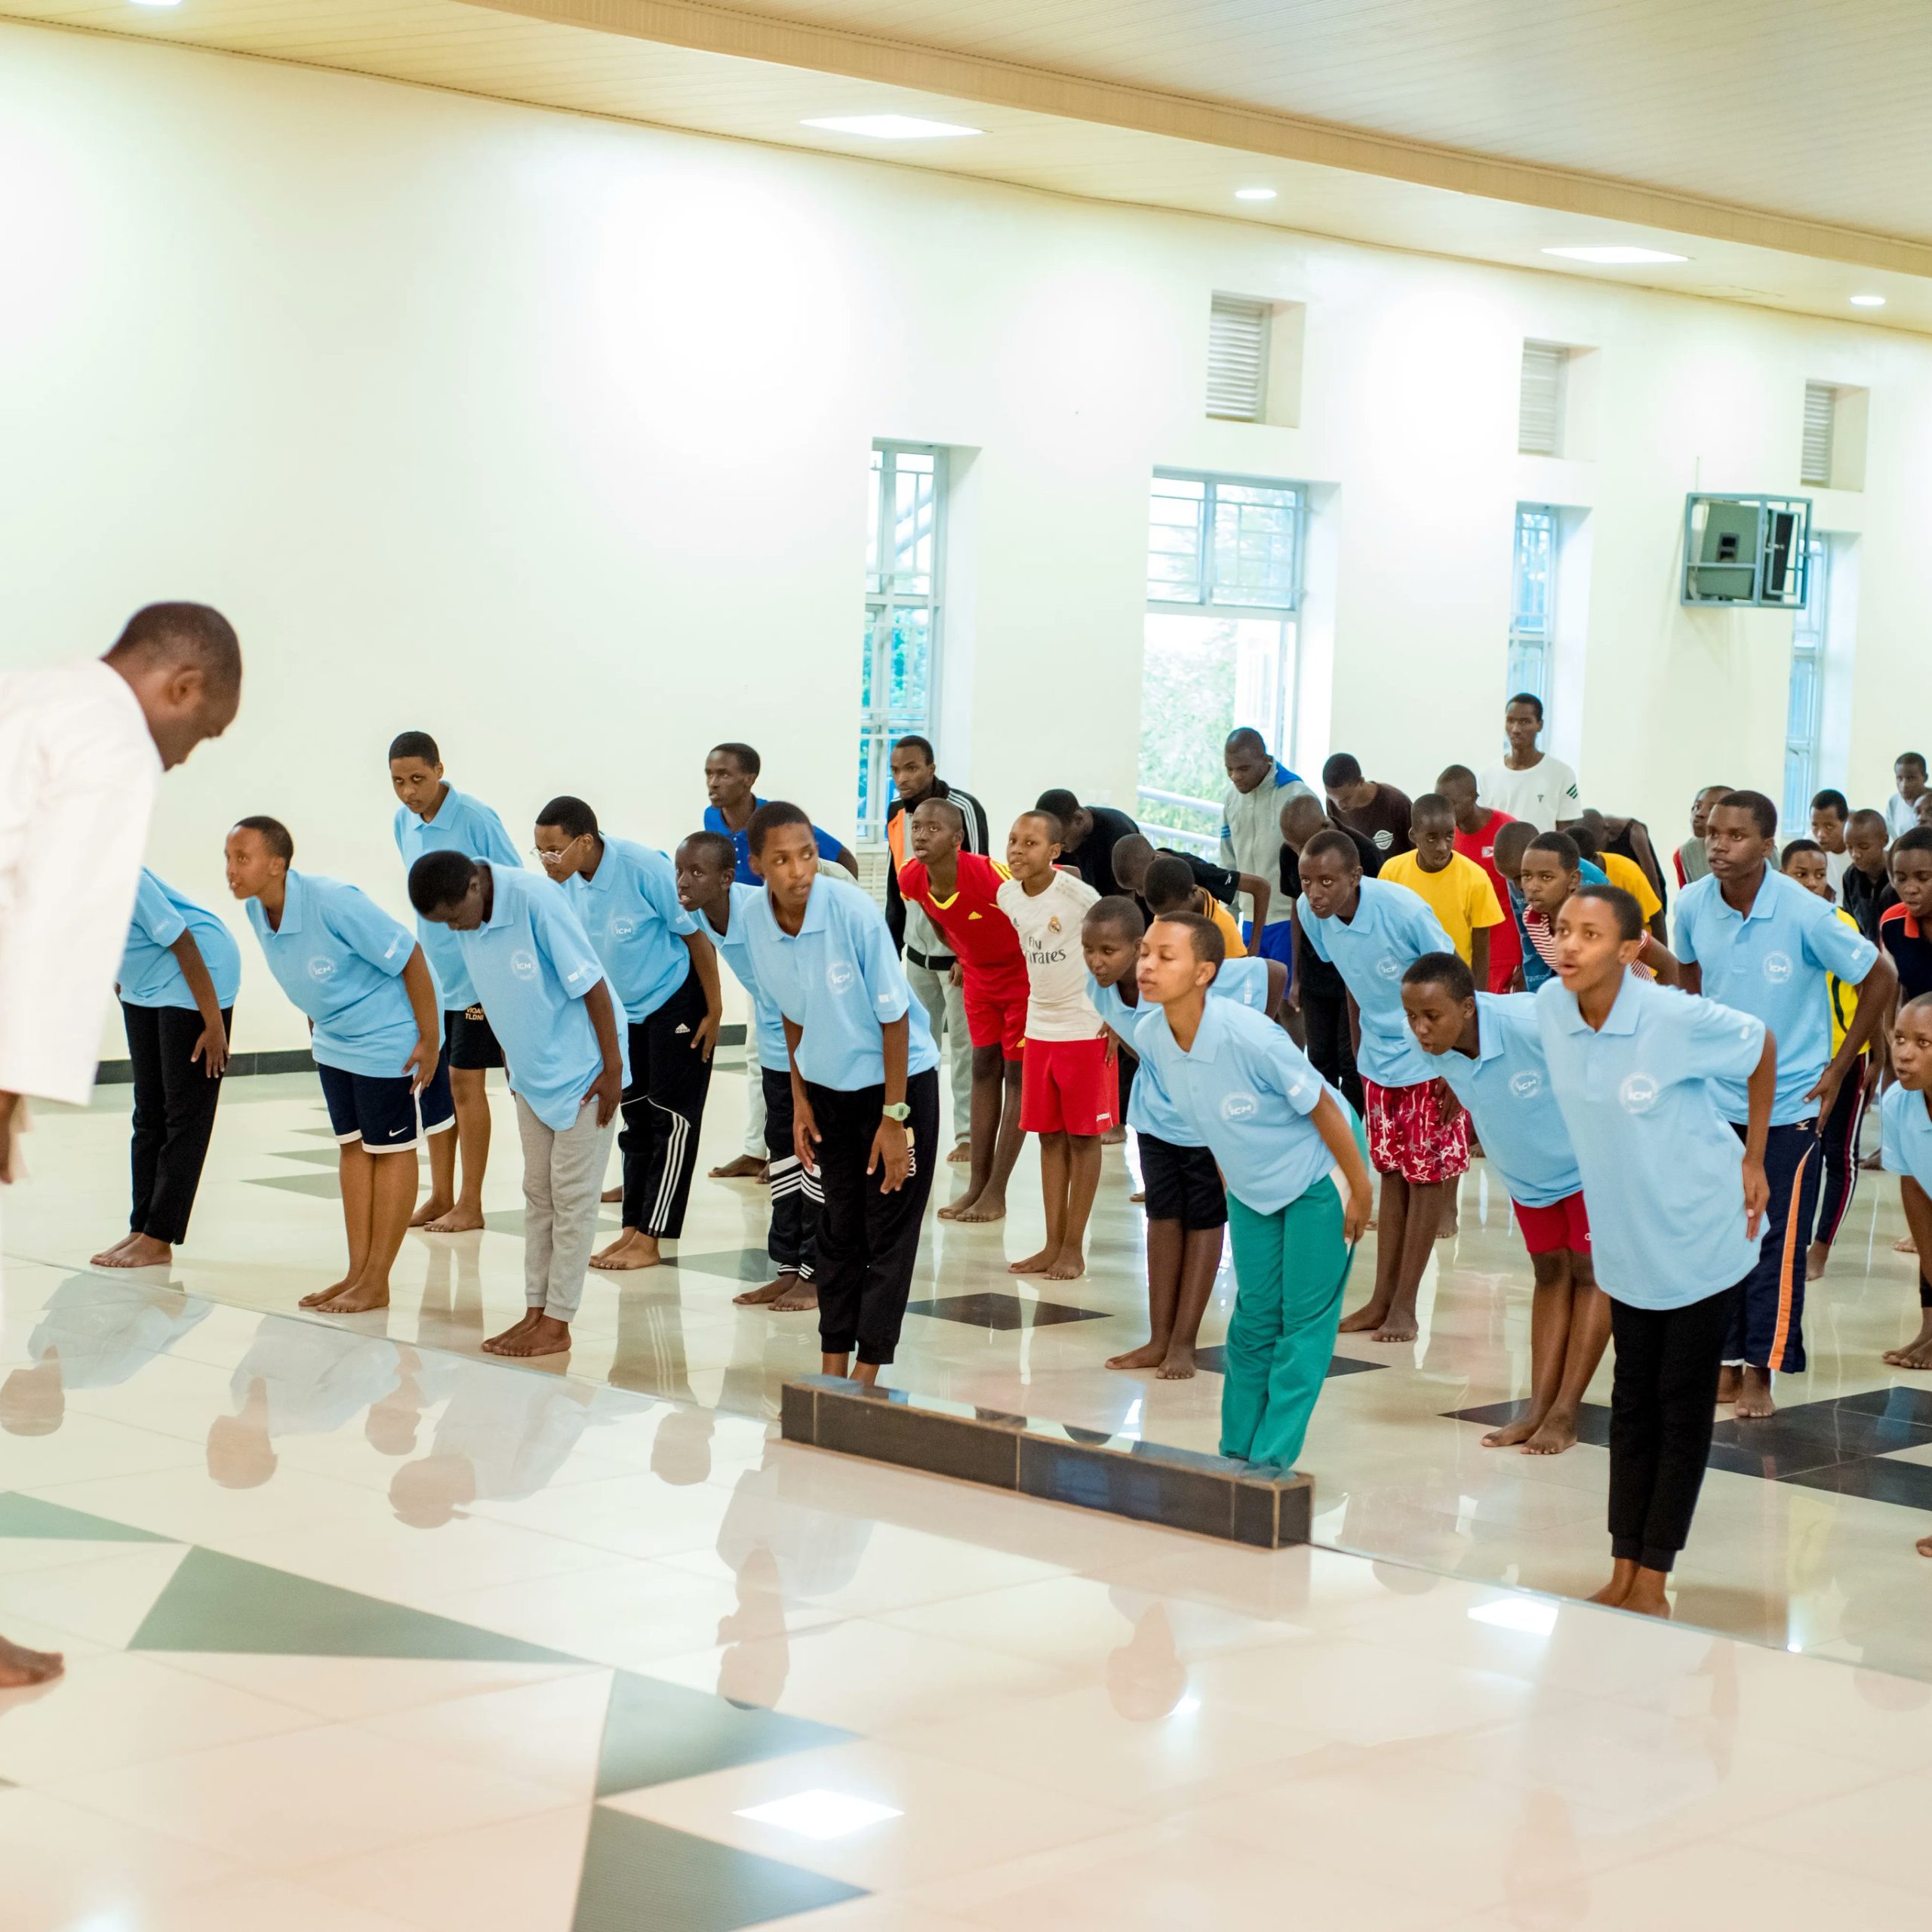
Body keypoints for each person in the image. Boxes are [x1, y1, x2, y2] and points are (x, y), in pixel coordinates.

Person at [0, 598, 242, 1690]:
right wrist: (13, 1093)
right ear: (179, 686)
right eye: (202, 731)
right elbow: (55, 921)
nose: (185, 757)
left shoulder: (34, 694)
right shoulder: (112, 741)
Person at [1537, 883, 1773, 1618]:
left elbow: (1760, 1045)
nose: (1570, 946)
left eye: (1590, 935)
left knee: (1680, 1404)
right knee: (1631, 1401)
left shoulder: (1670, 1015)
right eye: (1562, 931)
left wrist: (1754, 1156)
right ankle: (1622, 1567)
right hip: (1628, 1238)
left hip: (1702, 1231)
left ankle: (1653, 1579)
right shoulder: (1549, 1007)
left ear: (1630, 948)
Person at [1676, 791, 1894, 1418]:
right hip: (1717, 1099)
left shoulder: (1805, 912)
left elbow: (1879, 976)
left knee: (1774, 1238)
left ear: (1766, 845)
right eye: (1714, 834)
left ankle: (1761, 1370)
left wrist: (1840, 1067)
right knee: (1719, 1234)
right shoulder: (1691, 905)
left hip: (1790, 1102)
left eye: (1736, 836)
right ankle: (1722, 1364)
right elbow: (1689, 981)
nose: (1719, 845)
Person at [1137, 912, 1373, 1468]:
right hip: (1249, 1185)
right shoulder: (1150, 1036)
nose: (1146, 965)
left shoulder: (1249, 1036)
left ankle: (1271, 1461)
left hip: (1321, 1172)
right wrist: (1234, 1184)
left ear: (1204, 972)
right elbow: (1211, 1118)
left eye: (1165, 956)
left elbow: (1322, 1105)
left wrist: (1361, 1191)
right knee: (1253, 1320)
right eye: (1145, 952)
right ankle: (1236, 1452)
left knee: (1302, 1324)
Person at [741, 801, 940, 1388]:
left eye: (807, 855)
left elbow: (895, 1019)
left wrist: (894, 1119)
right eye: (781, 860)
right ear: (757, 865)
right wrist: (801, 1100)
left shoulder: (853, 912)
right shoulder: (755, 921)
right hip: (828, 1091)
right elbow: (790, 1010)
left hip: (898, 1087)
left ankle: (866, 1373)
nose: (799, 870)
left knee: (889, 1232)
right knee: (837, 1230)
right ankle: (832, 1365)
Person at [406, 849, 627, 1358]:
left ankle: (559, 1321)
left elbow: (592, 984)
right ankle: (535, 1311)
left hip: (586, 1071)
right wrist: (511, 1058)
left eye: (455, 918)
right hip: (531, 1074)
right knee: (538, 1194)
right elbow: (500, 993)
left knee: (572, 1198)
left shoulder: (535, 900)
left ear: (475, 887)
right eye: (444, 925)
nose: (455, 929)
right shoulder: (468, 917)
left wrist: (613, 1069)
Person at [229, 817, 450, 1316]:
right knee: (353, 1147)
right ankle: (357, 1273)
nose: (231, 870)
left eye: (243, 858)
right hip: (335, 1038)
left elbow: (410, 957)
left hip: (387, 1034)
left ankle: (378, 1280)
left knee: (390, 1150)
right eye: (229, 858)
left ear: (277, 864)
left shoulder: (332, 902)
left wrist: (431, 1040)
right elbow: (306, 972)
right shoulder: (256, 910)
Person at [1403, 953, 1604, 1454]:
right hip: (1527, 1175)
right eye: (1412, 1016)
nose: (1420, 1029)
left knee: (1591, 1273)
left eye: (1432, 1016)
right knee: (1550, 1273)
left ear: (1468, 1008)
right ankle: (1537, 1408)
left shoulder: (1529, 1021)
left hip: (1590, 1166)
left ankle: (1565, 1413)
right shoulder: (1431, 1046)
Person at [1083, 897, 1284, 1379]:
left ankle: (1184, 1343)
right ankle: (1159, 1338)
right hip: (1154, 1120)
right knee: (1163, 1218)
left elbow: (1274, 973)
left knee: (1205, 1221)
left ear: (1139, 947)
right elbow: (1144, 1041)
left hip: (1209, 1124)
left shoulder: (1190, 975)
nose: (1096, 961)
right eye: (1088, 949)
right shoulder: (1099, 990)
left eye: (1109, 951)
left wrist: (1249, 1049)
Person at [533, 797, 721, 1272]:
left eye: (553, 850)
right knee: (634, 1119)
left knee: (671, 1121)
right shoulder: (563, 886)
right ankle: (632, 1230)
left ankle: (653, 1238)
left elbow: (696, 938)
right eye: (539, 851)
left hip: (676, 1001)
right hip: (623, 1013)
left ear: (585, 842)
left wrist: (715, 1010)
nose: (546, 861)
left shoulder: (643, 869)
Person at [1297, 829, 1463, 1343]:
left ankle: (1406, 1307)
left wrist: (1456, 1065)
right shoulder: (1311, 914)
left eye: (1327, 881)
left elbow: (1455, 979)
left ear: (1355, 876)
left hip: (1432, 1057)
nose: (1315, 893)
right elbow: (1352, 978)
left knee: (1425, 1178)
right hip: (1379, 1060)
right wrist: (1359, 1046)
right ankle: (1380, 1299)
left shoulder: (1403, 910)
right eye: (1306, 881)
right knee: (1391, 1173)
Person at [675, 831, 820, 1307]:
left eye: (696, 872)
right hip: (778, 1045)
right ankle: (787, 1268)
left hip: (813, 1044)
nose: (683, 881)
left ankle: (816, 1274)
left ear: (726, 879)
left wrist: (804, 1069)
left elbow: (803, 987)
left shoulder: (762, 914)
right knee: (783, 1157)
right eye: (680, 871)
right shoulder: (699, 911)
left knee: (814, 1159)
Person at [703, 740, 857, 1180]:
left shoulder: (774, 822)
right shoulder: (712, 819)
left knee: (790, 1053)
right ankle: (759, 1149)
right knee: (758, 1051)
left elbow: (841, 859)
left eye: (724, 774)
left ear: (749, 779)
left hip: (792, 952)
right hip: (755, 951)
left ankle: (790, 1151)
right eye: (710, 773)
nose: (714, 782)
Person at [388, 732, 520, 1235]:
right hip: (433, 978)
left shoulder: (476, 818)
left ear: (440, 770)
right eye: (398, 782)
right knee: (432, 1084)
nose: (409, 792)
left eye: (418, 779)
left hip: (478, 978)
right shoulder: (402, 823)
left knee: (466, 1083)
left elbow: (512, 883)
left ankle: (471, 1201)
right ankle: (441, 1195)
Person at [90, 869, 242, 1270]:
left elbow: (184, 942)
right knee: (148, 1112)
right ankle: (142, 1228)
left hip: (199, 973)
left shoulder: (124, 875)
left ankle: (159, 1237)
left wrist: (214, 1024)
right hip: (144, 984)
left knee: (184, 1114)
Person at [897, 798, 1028, 1224]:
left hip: (1023, 977)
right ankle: (976, 1184)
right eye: (917, 827)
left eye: (933, 829)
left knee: (1016, 1075)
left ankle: (997, 1191)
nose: (921, 835)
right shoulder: (911, 877)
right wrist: (963, 955)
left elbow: (1040, 902)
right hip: (979, 979)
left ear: (957, 840)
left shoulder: (991, 876)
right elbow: (939, 919)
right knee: (981, 1065)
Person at [998, 810, 1112, 1278]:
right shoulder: (1007, 894)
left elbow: (1121, 943)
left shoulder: (1080, 896)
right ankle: (1051, 1244)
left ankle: (1074, 1248)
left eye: (1030, 843)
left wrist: (1117, 1015)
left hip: (1085, 1028)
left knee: (1083, 1138)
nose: (1017, 850)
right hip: (1040, 1028)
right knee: (1048, 1136)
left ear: (1055, 852)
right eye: (1013, 840)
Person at [882, 735, 989, 1163]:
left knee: (964, 1048)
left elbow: (980, 881)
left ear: (931, 768)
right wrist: (889, 950)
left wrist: (968, 954)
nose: (902, 778)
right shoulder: (896, 813)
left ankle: (968, 1135)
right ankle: (915, 1130)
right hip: (917, 956)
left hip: (959, 960)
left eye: (911, 768)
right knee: (917, 1049)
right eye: (895, 770)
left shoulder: (963, 808)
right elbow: (895, 887)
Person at [1780, 838, 1876, 1282]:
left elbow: (1871, 986)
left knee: (1839, 1155)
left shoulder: (1840, 924)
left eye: (1819, 875)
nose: (1812, 883)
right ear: (1782, 876)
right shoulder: (1773, 927)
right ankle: (1792, 1241)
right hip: (1795, 1061)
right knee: (1803, 1153)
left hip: (1845, 1058)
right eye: (1801, 874)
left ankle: (1820, 1248)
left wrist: (1875, 1056)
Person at [1279, 794, 1378, 1110]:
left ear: (1324, 825)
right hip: (1315, 971)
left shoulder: (1363, 852)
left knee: (1351, 1060)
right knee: (1320, 1058)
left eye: (1303, 843)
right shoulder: (1289, 852)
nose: (1299, 853)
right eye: (1293, 846)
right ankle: (1325, 1127)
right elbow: (1297, 908)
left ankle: (1350, 1129)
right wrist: (1295, 976)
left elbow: (1375, 913)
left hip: (1356, 972)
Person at [1378, 794, 1503, 986]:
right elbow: (1385, 933)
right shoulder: (1392, 872)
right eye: (1431, 838)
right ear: (1413, 836)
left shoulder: (1475, 877)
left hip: (1454, 983)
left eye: (1449, 836)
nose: (1442, 847)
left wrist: (1479, 997)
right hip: (1407, 982)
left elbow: (1481, 950)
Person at [1512, 831, 1649, 991]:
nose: (1533, 887)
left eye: (1546, 877)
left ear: (1573, 880)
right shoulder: (1532, 920)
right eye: (1527, 876)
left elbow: (1666, 964)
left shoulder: (1601, 918)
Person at [1220, 729, 1312, 965]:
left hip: (1288, 921)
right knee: (1253, 989)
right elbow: (1229, 861)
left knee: (1287, 989)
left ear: (1265, 759)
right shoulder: (1231, 798)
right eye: (1229, 769)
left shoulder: (1296, 795)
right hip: (1250, 921)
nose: (1235, 776)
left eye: (1244, 768)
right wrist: (1228, 915)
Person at [1878, 994, 1932, 1386]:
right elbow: (1915, 1191)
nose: (1904, 1054)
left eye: (1923, 1043)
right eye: (1899, 1039)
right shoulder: (1897, 1102)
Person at [1437, 764, 1519, 993]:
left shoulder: (1506, 829)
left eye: (1451, 803)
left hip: (1504, 947)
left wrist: (1528, 957)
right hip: (1464, 949)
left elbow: (1527, 894)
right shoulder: (1445, 838)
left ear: (1473, 797)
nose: (1444, 811)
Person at [1112, 832, 1269, 938]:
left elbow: (1260, 887)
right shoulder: (1143, 872)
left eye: (1141, 887)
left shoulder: (1196, 870)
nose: (1140, 894)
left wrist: (1254, 947)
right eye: (1134, 889)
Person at [1478, 693, 1580, 829]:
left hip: (1543, 844)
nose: (1516, 729)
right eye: (1510, 721)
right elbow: (1482, 827)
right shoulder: (1487, 775)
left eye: (1524, 722)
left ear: (1540, 725)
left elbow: (1566, 833)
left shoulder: (1562, 774)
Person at [1571, 811, 1668, 943]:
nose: (1583, 871)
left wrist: (1661, 955)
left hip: (1639, 941)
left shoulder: (1627, 871)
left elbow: (1656, 915)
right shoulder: (1568, 873)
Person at [1033, 787, 1140, 897]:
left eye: (1062, 841)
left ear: (1079, 819)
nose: (1059, 848)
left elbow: (1128, 895)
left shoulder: (1119, 833)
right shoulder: (1063, 840)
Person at [1142, 852, 1247, 958]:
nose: (1168, 922)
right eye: (1161, 917)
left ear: (1193, 893)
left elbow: (1239, 966)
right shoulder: (1165, 912)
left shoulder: (1223, 925)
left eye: (1174, 915)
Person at [1321, 753, 1414, 860]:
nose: (1340, 806)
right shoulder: (1332, 802)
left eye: (1346, 799)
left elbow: (1417, 850)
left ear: (1361, 782)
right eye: (1333, 798)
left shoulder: (1397, 803)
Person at [1881, 829, 1932, 1008]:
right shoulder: (1892, 923)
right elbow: (1894, 983)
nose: (1910, 889)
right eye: (1901, 879)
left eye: (1923, 878)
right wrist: (1892, 1024)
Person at [1674, 784, 1730, 890]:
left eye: (1712, 809)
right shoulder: (1685, 852)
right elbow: (1689, 895)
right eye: (1697, 807)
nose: (1699, 813)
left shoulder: (1754, 848)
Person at [1810, 790, 1854, 900]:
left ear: (1845, 822)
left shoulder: (1863, 846)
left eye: (1829, 826)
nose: (1820, 834)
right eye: (1815, 825)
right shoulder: (1809, 846)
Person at [1887, 752, 1928, 840]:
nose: (1904, 785)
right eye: (1899, 778)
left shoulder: (1930, 801)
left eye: (1911, 778)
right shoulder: (1893, 803)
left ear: (1925, 777)